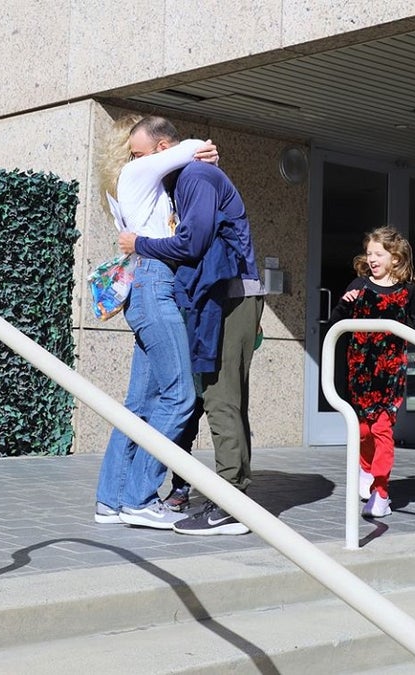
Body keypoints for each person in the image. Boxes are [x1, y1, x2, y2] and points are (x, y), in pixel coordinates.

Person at [119, 116, 264, 536]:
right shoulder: (184, 180)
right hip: (215, 296)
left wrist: (138, 244)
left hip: (230, 296)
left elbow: (192, 242)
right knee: (207, 396)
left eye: (138, 155)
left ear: (163, 149)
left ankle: (232, 504)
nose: (134, 163)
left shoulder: (196, 177)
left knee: (220, 396)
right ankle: (200, 492)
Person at [93, 115, 218, 530]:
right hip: (154, 285)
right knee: (180, 397)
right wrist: (206, 151)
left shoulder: (125, 186)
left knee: (139, 406)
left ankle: (111, 500)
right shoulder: (137, 172)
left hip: (144, 287)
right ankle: (140, 499)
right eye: (135, 148)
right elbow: (193, 144)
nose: (138, 154)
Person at [327, 226, 415, 518]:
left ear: (395, 257)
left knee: (382, 429)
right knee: (362, 430)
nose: (372, 259)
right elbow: (335, 323)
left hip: (390, 371)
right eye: (369, 253)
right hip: (360, 369)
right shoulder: (359, 285)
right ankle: (366, 468)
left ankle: (382, 493)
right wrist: (343, 304)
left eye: (378, 254)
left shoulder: (407, 290)